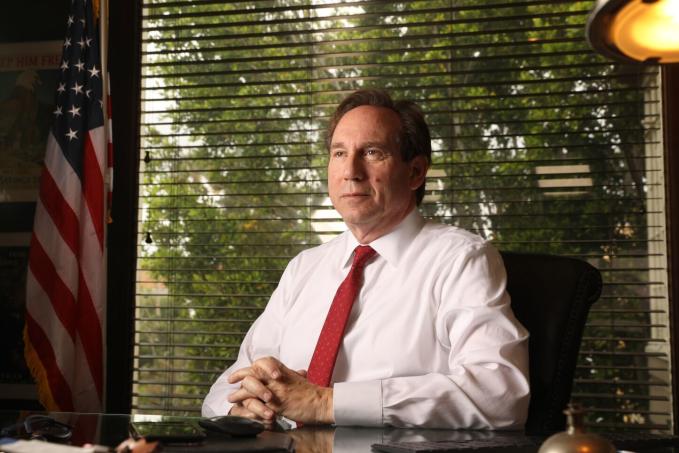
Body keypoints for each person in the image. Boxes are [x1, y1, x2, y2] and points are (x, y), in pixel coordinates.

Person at [202, 89, 530, 429]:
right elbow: (228, 385)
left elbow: (500, 394)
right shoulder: (304, 268)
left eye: (372, 153)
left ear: (415, 172)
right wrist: (238, 410)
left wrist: (325, 402)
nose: (351, 171)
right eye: (339, 153)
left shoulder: (460, 260)